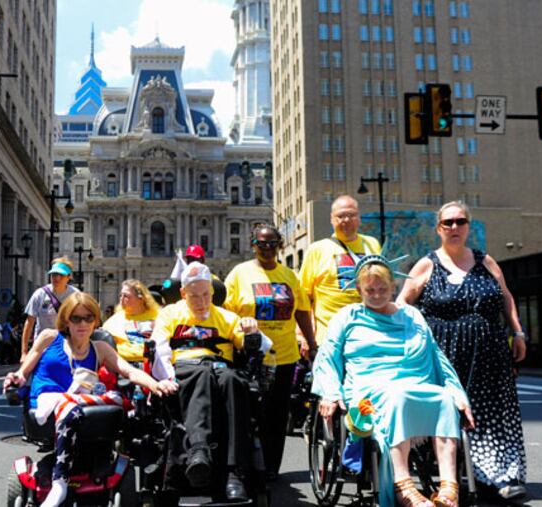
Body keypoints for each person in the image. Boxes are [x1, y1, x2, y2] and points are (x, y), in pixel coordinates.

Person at [313, 254, 475, 507]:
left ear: (393, 287)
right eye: (369, 290)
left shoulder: (411, 315)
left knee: (443, 398)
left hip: (415, 381)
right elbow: (327, 358)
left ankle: (448, 488)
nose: (376, 295)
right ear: (358, 289)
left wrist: (457, 392)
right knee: (398, 396)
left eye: (382, 289)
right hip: (369, 387)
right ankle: (403, 486)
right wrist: (331, 393)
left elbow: (436, 357)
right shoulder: (347, 316)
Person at [397, 201, 528, 501]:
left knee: (493, 413)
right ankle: (452, 476)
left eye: (460, 221)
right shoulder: (427, 265)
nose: (454, 227)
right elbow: (403, 304)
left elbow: (506, 297)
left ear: (468, 225)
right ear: (439, 228)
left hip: (491, 351)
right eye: (447, 223)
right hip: (446, 354)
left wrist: (517, 332)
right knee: (452, 413)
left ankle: (502, 477)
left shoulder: (486, 262)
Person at [3, 292, 177, 507]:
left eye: (88, 318)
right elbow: (24, 370)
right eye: (76, 318)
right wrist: (16, 378)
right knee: (72, 406)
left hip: (77, 401)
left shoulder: (100, 348)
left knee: (96, 402)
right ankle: (59, 483)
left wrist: (156, 384)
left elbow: (130, 372)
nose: (82, 323)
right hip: (47, 399)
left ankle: (67, 477)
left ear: (95, 321)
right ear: (66, 320)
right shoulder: (49, 337)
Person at [152, 262, 270, 502]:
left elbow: (264, 346)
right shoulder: (170, 314)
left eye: (206, 294)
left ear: (213, 292)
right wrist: (166, 379)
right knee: (203, 375)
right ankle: (199, 451)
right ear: (183, 293)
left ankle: (233, 473)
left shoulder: (226, 316)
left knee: (233, 381)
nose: (201, 301)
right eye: (194, 296)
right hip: (186, 370)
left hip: (220, 369)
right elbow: (159, 350)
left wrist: (252, 331)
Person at [224, 224, 316, 480]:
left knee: (276, 415)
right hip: (249, 357)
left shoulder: (289, 276)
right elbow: (227, 313)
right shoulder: (239, 274)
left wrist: (311, 342)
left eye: (272, 243)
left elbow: (301, 311)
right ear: (252, 245)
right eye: (261, 244)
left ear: (280, 245)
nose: (267, 248)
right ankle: (244, 464)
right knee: (249, 412)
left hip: (285, 356)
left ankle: (271, 468)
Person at [299, 195, 382, 345]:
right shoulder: (316, 250)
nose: (346, 220)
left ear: (359, 217)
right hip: (330, 337)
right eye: (340, 216)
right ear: (331, 219)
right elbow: (303, 297)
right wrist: (305, 336)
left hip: (369, 332)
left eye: (351, 215)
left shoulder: (372, 244)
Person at [20, 256, 79, 361]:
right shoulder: (39, 294)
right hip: (42, 348)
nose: (56, 278)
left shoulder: (76, 295)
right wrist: (24, 353)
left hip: (67, 347)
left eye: (61, 275)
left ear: (68, 277)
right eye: (54, 274)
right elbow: (29, 324)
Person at [102, 279, 160, 363]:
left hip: (154, 363)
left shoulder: (159, 317)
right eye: (120, 295)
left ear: (141, 298)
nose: (122, 299)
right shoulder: (113, 321)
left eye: (126, 296)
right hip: (125, 364)